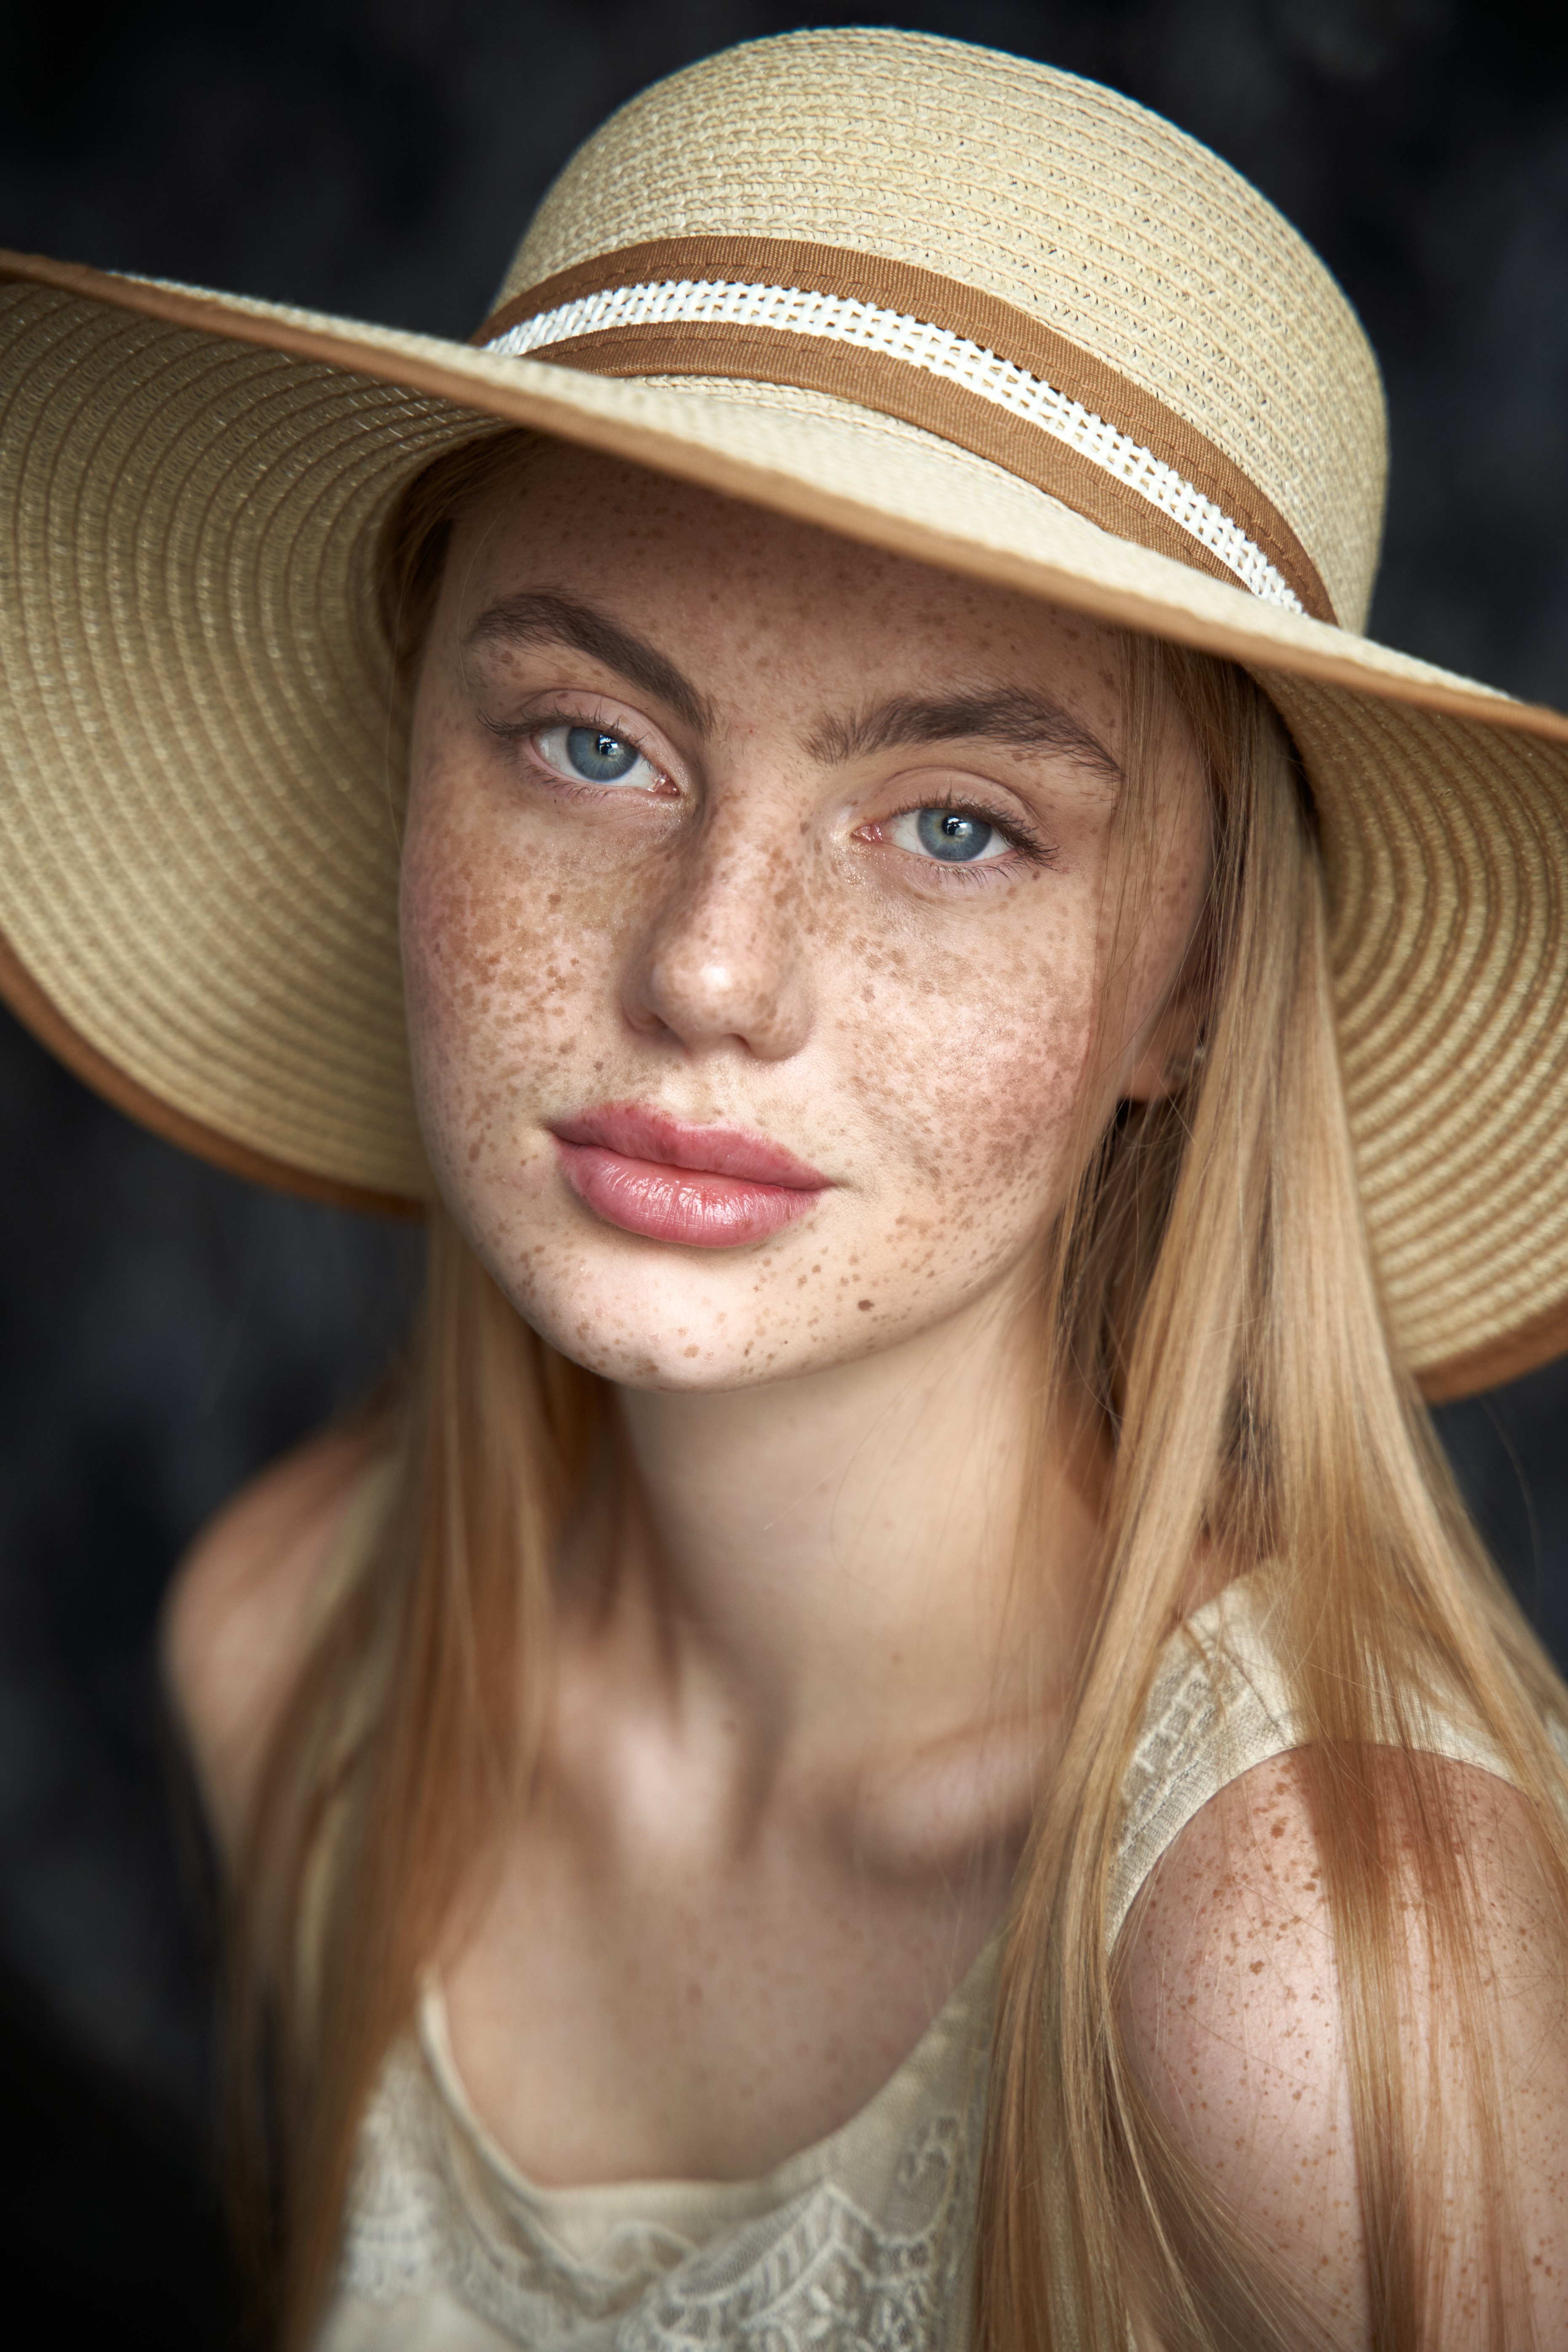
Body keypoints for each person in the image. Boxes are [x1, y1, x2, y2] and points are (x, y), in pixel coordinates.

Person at [3, 24, 1568, 2351]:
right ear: (413, 771)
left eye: (954, 825)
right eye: (591, 744)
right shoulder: (300, 1674)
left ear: (1188, 993)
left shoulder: (1319, 1981)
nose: (709, 972)